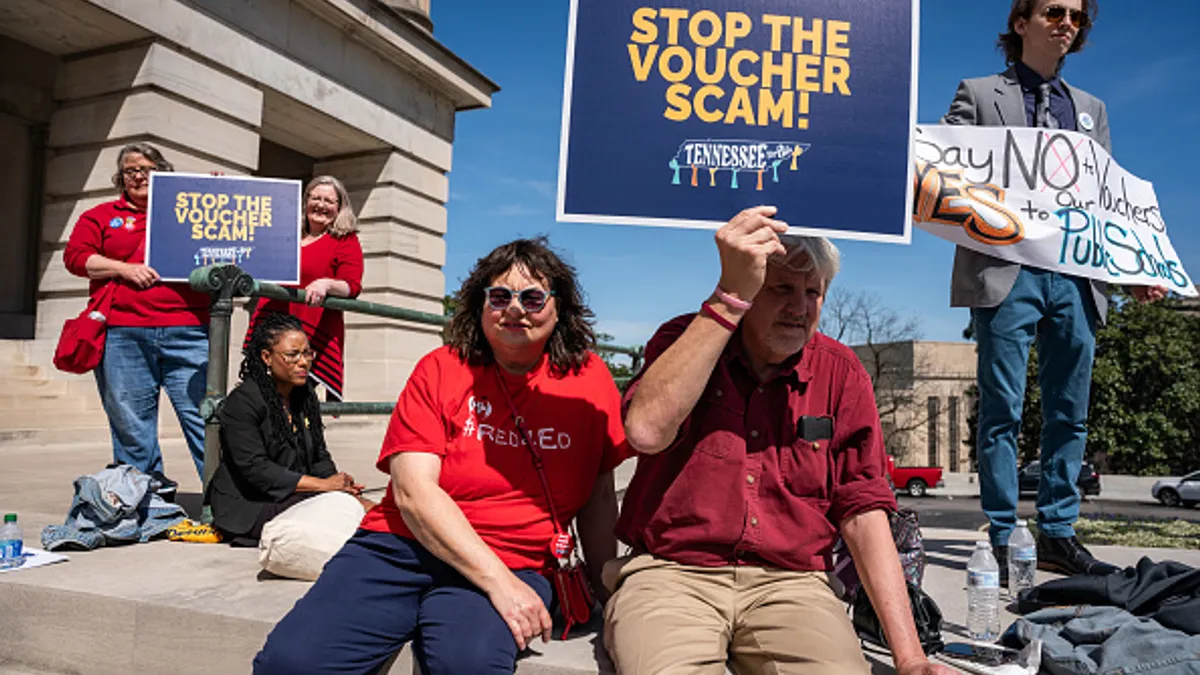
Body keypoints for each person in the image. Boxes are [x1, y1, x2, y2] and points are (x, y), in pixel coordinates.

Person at [253, 238, 627, 675]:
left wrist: (606, 596)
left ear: (558, 307)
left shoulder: (589, 379)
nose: (515, 308)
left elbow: (599, 496)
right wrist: (499, 584)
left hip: (518, 556)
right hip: (401, 547)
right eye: (500, 296)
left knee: (466, 665)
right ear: (479, 304)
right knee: (290, 664)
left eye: (533, 297)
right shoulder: (441, 367)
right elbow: (413, 494)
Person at [606, 207, 954, 675]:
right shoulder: (683, 338)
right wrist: (729, 298)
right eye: (781, 289)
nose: (800, 306)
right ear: (750, 290)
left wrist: (911, 658)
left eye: (814, 292)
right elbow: (646, 431)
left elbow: (864, 509)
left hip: (793, 584)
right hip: (672, 573)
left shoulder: (841, 372)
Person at [942, 0, 1165, 578]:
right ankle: (1000, 531)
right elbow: (947, 165)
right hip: (1006, 269)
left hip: (1075, 277)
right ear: (1022, 23)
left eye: (1075, 16)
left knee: (1071, 412)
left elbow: (1105, 200)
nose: (1067, 22)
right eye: (1053, 11)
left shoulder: (1091, 110)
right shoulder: (979, 91)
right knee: (1002, 411)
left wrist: (1135, 267)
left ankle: (1058, 533)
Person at [63, 142, 210, 484]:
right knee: (131, 426)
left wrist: (215, 194)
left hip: (188, 329)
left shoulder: (186, 209)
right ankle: (146, 503)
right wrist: (122, 268)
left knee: (207, 420)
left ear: (163, 173)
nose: (139, 176)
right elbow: (75, 257)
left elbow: (230, 231)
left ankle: (225, 504)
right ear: (121, 177)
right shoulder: (99, 215)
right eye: (131, 170)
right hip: (123, 332)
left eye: (147, 169)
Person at [207, 312, 369, 545]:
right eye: (292, 355)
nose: (303, 362)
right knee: (346, 514)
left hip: (294, 493)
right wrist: (323, 486)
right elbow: (256, 470)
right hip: (250, 504)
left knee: (355, 505)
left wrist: (337, 483)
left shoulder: (304, 396)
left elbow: (319, 456)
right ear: (266, 357)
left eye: (307, 354)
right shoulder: (243, 401)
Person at [247, 175, 363, 401]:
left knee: (296, 406)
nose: (321, 205)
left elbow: (352, 286)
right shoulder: (285, 232)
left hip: (309, 333)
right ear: (305, 201)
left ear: (339, 207)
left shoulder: (344, 240)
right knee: (260, 401)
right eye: (315, 198)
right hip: (270, 327)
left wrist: (326, 283)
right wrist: (219, 188)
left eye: (329, 201)